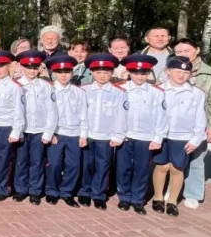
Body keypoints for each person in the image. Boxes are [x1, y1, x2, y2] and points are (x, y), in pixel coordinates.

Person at [172, 38, 211, 209]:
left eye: (186, 51)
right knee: (170, 161)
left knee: (195, 161)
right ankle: (172, 191)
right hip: (173, 126)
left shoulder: (210, 74)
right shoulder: (170, 70)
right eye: (178, 52)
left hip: (197, 126)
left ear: (196, 50)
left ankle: (192, 194)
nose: (182, 54)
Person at [152, 56, 207, 217]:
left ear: (190, 74)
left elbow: (200, 117)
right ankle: (158, 197)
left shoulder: (196, 93)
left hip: (183, 136)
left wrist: (196, 139)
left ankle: (172, 201)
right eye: (177, 71)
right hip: (162, 136)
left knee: (177, 168)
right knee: (161, 166)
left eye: (185, 72)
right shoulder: (158, 90)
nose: (181, 75)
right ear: (168, 71)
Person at [118, 54, 168, 215]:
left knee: (142, 169)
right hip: (125, 136)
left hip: (146, 137)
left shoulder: (156, 92)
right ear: (129, 72)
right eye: (136, 73)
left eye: (144, 73)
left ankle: (138, 199)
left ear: (148, 73)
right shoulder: (120, 89)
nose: (140, 76)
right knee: (124, 168)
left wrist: (158, 138)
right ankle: (124, 197)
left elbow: (161, 116)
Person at [79, 53, 128, 210]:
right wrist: (81, 133)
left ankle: (99, 194)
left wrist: (118, 135)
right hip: (88, 134)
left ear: (112, 73)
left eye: (106, 72)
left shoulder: (118, 92)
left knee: (103, 165)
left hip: (106, 136)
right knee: (86, 165)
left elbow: (121, 116)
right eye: (98, 72)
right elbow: (80, 114)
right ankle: (85, 192)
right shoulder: (84, 90)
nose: (102, 75)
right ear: (92, 72)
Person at [15, 50, 57, 205]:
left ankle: (35, 191)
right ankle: (20, 189)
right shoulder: (17, 84)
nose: (32, 71)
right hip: (22, 130)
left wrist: (48, 132)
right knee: (21, 161)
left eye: (35, 67)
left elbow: (52, 110)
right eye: (28, 67)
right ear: (22, 67)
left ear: (40, 68)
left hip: (39, 130)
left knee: (37, 161)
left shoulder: (46, 86)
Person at [45, 55, 87, 208]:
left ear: (72, 73)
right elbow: (45, 114)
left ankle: (67, 192)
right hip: (57, 133)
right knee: (54, 164)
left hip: (74, 134)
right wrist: (50, 133)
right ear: (54, 73)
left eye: (67, 72)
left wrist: (83, 134)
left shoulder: (79, 92)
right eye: (60, 72)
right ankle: (52, 191)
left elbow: (84, 114)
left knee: (74, 165)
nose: (64, 75)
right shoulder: (49, 90)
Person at [0, 50, 25, 201]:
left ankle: (3, 188)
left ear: (8, 65)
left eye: (1, 66)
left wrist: (16, 131)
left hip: (6, 127)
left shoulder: (15, 86)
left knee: (4, 159)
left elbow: (19, 111)